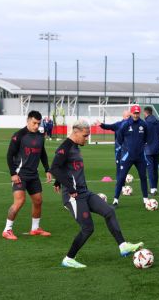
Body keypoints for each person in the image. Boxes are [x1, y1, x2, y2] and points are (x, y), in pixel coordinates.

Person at [50, 120, 144, 268]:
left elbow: (63, 168)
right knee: (88, 228)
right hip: (73, 196)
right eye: (85, 135)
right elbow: (54, 168)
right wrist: (69, 187)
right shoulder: (65, 147)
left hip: (84, 192)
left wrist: (58, 181)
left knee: (109, 211)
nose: (87, 138)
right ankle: (68, 258)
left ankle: (123, 245)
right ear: (75, 132)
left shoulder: (75, 146)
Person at [2, 111, 53, 240]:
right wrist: (13, 173)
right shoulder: (19, 135)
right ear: (28, 120)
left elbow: (43, 154)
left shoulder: (41, 136)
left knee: (38, 201)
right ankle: (7, 230)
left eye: (38, 123)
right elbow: (9, 155)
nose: (36, 126)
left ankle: (35, 229)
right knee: (20, 201)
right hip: (20, 174)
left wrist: (47, 169)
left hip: (33, 175)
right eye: (34, 123)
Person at [112, 105, 149, 207]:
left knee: (143, 177)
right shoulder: (125, 124)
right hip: (127, 157)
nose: (136, 115)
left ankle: (145, 199)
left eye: (137, 113)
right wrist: (127, 149)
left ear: (139, 113)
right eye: (134, 113)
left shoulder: (144, 124)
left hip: (140, 157)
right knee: (121, 178)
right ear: (131, 113)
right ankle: (115, 200)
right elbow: (119, 139)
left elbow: (146, 138)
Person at [96, 110, 131, 182]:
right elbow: (109, 126)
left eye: (129, 116)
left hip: (129, 149)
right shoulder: (118, 124)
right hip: (119, 149)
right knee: (119, 165)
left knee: (127, 165)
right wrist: (101, 124)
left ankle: (124, 178)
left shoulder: (133, 125)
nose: (128, 118)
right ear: (123, 117)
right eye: (127, 116)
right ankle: (119, 181)